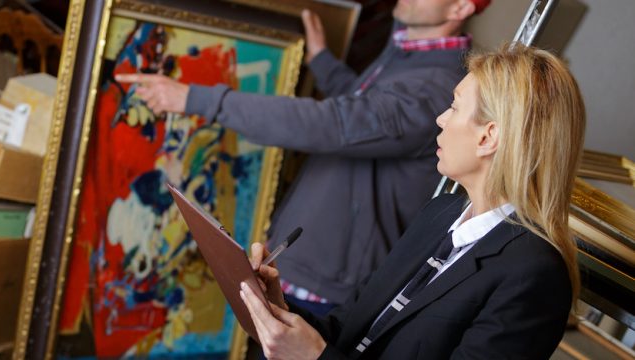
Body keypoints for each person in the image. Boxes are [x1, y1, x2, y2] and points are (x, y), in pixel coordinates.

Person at [117, 0, 491, 314]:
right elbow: (366, 113)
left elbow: (338, 123)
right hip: (306, 263)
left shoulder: (437, 84)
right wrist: (322, 59)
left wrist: (196, 100)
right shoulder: (406, 54)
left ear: (460, 6)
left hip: (327, 286)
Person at [241, 45, 585, 359]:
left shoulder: (534, 274)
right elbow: (348, 331)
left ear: (488, 136)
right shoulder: (440, 213)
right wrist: (278, 308)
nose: (441, 119)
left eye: (453, 106)